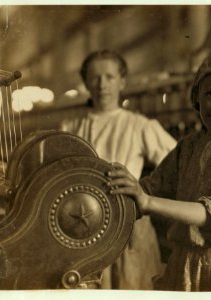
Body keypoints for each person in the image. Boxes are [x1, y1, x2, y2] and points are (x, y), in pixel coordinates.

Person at [106, 32, 211, 292]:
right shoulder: (189, 146)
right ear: (197, 96)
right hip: (185, 266)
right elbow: (151, 188)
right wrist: (121, 189)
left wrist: (147, 201)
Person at [60, 49, 176, 290]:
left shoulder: (139, 125)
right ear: (86, 83)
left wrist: (142, 191)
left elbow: (178, 165)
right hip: (82, 228)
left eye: (110, 77)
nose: (102, 84)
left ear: (122, 81)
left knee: (131, 286)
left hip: (129, 227)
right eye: (95, 78)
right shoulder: (70, 127)